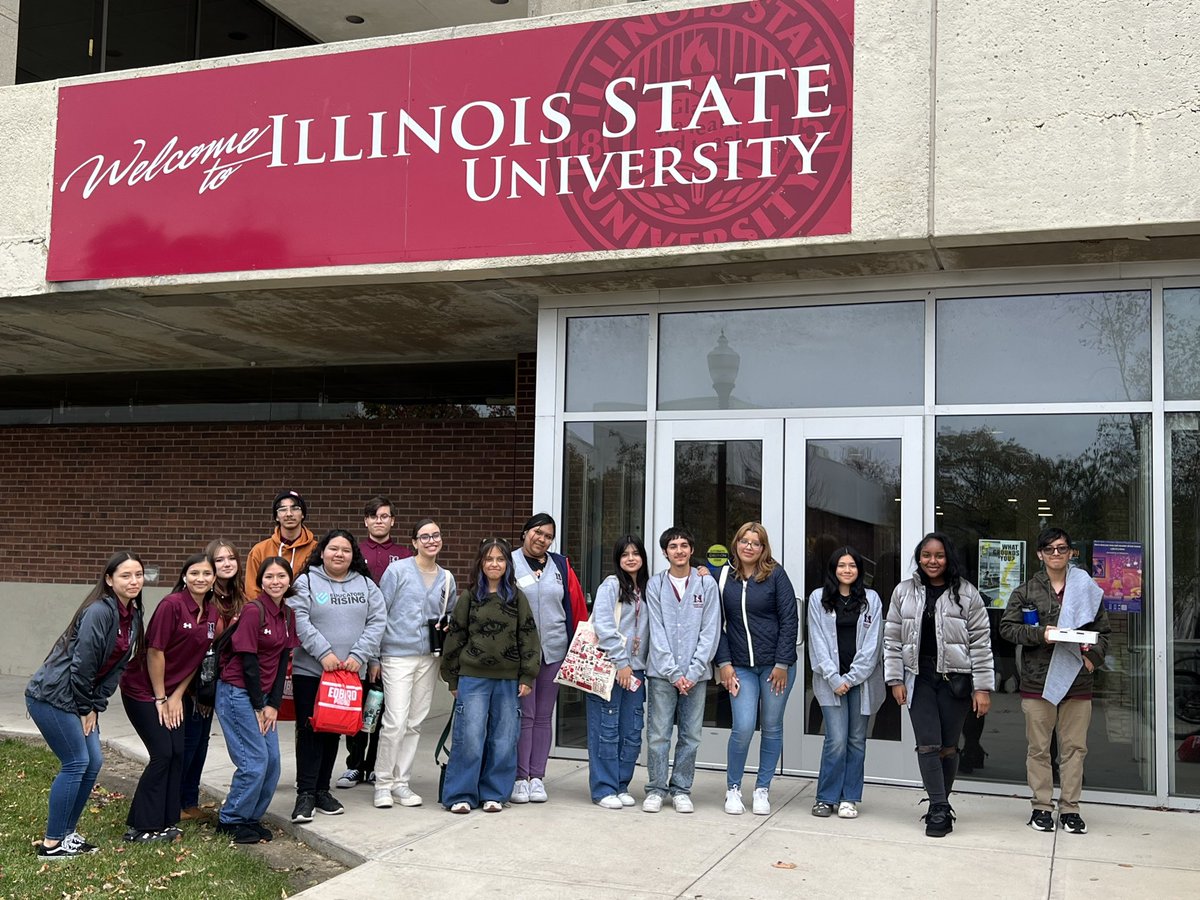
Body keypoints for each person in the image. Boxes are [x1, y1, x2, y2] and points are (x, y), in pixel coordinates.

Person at [25, 551, 145, 859]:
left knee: (93, 762)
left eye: (138, 575)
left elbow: (117, 667)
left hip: (81, 698)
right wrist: (85, 707)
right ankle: (52, 844)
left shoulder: (132, 615)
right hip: (52, 695)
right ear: (109, 580)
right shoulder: (99, 611)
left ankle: (67, 835)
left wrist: (95, 704)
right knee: (77, 761)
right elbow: (83, 664)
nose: (134, 581)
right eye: (125, 576)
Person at [1000, 528, 1111, 835]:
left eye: (1062, 548)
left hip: (1078, 681)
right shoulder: (1026, 590)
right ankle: (1041, 807)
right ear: (1040, 554)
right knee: (1039, 749)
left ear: (1071, 552)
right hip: (1038, 680)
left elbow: (1104, 632)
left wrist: (1092, 660)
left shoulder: (1086, 588)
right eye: (1050, 549)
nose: (1056, 554)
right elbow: (1007, 629)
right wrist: (1041, 634)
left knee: (1075, 748)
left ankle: (1071, 809)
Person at [884, 532, 994, 838]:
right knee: (928, 744)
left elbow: (982, 644)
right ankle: (938, 807)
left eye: (939, 555)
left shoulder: (967, 594)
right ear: (919, 558)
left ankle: (940, 803)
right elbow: (891, 639)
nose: (933, 561)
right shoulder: (904, 592)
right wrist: (894, 679)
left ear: (949, 558)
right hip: (918, 678)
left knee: (948, 746)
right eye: (926, 555)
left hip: (955, 680)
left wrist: (982, 688)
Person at [288, 529, 386, 823]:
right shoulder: (305, 581)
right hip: (312, 672)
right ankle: (305, 793)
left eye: (345, 550)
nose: (339, 554)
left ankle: (321, 790)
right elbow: (299, 619)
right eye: (333, 549)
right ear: (322, 552)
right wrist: (324, 653)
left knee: (333, 730)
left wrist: (359, 656)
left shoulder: (367, 585)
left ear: (353, 554)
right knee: (310, 731)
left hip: (347, 674)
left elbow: (377, 621)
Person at [119, 552, 217, 842]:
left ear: (213, 580)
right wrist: (161, 698)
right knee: (162, 753)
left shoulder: (211, 612)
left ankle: (166, 820)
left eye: (207, 574)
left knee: (178, 753)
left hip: (172, 692)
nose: (201, 578)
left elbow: (196, 660)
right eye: (195, 573)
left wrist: (177, 696)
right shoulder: (171, 605)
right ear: (184, 576)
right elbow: (155, 652)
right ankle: (141, 827)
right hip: (142, 690)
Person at [440, 537, 541, 814]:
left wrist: (527, 675)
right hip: (472, 678)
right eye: (489, 559)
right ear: (481, 563)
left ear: (508, 564)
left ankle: (494, 794)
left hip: (508, 680)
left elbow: (529, 637)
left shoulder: (516, 598)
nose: (494, 564)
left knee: (504, 738)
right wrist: (452, 678)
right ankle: (461, 794)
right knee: (469, 737)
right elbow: (456, 636)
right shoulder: (470, 597)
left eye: (500, 559)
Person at [713, 522, 799, 817]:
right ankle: (733, 789)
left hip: (776, 667)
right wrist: (724, 664)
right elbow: (716, 624)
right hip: (740, 667)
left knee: (772, 727)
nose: (749, 546)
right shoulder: (723, 576)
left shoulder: (776, 575)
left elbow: (790, 620)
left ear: (764, 548)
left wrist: (782, 663)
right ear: (736, 544)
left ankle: (762, 788)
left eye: (756, 543)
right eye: (744, 541)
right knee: (744, 726)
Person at [372, 518, 457, 808]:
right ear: (414, 542)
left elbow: (451, 614)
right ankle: (382, 782)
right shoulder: (397, 571)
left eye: (436, 535)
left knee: (415, 721)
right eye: (425, 536)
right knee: (395, 720)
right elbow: (380, 613)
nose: (431, 540)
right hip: (396, 654)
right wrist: (374, 656)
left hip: (428, 657)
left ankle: (401, 782)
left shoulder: (447, 578)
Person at [214, 557, 299, 844]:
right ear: (260, 581)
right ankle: (231, 819)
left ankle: (251, 817)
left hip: (263, 698)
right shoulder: (253, 611)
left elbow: (281, 662)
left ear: (289, 580)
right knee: (254, 761)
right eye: (269, 577)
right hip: (237, 693)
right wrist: (258, 705)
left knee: (272, 762)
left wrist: (273, 704)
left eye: (281, 576)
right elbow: (248, 661)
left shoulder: (288, 615)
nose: (275, 582)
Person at [509, 513, 588, 805]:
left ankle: (537, 777)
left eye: (548, 535)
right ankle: (519, 778)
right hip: (520, 653)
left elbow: (576, 605)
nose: (541, 539)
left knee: (543, 716)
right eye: (537, 532)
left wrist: (579, 647)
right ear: (525, 532)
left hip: (554, 649)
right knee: (524, 716)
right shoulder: (508, 561)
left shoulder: (561, 565)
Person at [336, 497, 414, 791]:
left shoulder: (404, 555)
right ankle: (354, 765)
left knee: (383, 709)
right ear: (365, 521)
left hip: (392, 642)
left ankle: (374, 766)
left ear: (393, 520)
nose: (379, 521)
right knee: (357, 707)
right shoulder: (354, 554)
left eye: (385, 516)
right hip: (359, 642)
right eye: (373, 516)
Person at [643, 526, 719, 814]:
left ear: (691, 550)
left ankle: (681, 788)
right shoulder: (655, 585)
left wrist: (695, 669)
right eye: (673, 546)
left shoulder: (705, 585)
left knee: (691, 735)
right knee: (658, 734)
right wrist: (675, 673)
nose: (679, 550)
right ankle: (656, 788)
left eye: (684, 545)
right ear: (665, 552)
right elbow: (656, 631)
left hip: (697, 675)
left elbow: (710, 630)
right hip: (663, 674)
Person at [807, 546, 885, 819]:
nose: (847, 570)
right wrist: (834, 678)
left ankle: (849, 797)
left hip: (860, 683)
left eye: (852, 565)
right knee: (836, 740)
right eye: (842, 565)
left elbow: (873, 645)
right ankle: (825, 797)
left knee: (856, 740)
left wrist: (851, 679)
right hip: (831, 682)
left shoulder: (871, 600)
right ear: (833, 569)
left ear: (860, 570)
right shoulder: (819, 598)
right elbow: (816, 643)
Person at [180, 539, 247, 820]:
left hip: (222, 680)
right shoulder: (204, 597)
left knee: (202, 743)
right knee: (190, 742)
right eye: (219, 560)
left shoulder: (240, 597)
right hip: (197, 683)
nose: (226, 564)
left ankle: (189, 801)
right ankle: (177, 802)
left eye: (231, 558)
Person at [587, 535, 651, 809]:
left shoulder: (648, 588)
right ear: (618, 559)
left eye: (635, 553)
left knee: (631, 732)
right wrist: (622, 663)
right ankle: (604, 788)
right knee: (606, 730)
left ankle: (622, 784)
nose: (631, 558)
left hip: (637, 673)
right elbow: (603, 625)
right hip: (611, 669)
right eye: (625, 554)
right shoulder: (611, 585)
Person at [245, 489, 317, 598]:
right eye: (283, 509)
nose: (289, 514)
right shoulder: (259, 550)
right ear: (276, 517)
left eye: (295, 508)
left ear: (302, 514)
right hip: (267, 613)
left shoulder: (317, 549)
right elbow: (252, 591)